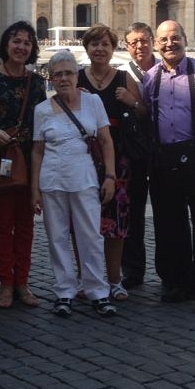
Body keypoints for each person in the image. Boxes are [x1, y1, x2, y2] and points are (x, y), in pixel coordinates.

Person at [143, 20, 195, 315]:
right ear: (156, 44)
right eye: (164, 39)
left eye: (175, 37)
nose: (170, 44)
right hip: (164, 162)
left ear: (184, 39)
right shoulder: (151, 77)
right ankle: (178, 283)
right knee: (170, 227)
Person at [32, 51, 117, 317]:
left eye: (68, 73)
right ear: (51, 78)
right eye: (58, 74)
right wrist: (33, 189)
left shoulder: (93, 102)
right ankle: (64, 291)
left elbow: (105, 141)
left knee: (90, 236)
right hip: (52, 179)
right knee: (57, 238)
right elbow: (37, 151)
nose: (64, 78)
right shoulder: (42, 110)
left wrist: (110, 176)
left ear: (77, 74)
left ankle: (97, 290)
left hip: (84, 178)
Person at [0, 21, 46, 308]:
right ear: (6, 44)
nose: (21, 47)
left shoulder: (37, 82)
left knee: (26, 226)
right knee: (2, 225)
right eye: (17, 41)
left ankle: (23, 282)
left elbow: (43, 123)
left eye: (27, 43)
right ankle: (5, 282)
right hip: (2, 160)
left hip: (31, 160)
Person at [77, 24, 146, 302]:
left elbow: (144, 114)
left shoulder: (123, 78)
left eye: (105, 44)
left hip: (118, 159)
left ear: (112, 48)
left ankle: (115, 280)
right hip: (83, 157)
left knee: (116, 222)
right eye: (94, 44)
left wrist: (131, 101)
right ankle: (88, 279)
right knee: (82, 222)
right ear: (87, 49)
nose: (100, 49)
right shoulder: (78, 78)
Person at [118, 22, 158, 288]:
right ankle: (133, 269)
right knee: (132, 213)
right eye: (133, 43)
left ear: (152, 40)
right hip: (134, 152)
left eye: (143, 41)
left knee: (168, 213)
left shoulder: (165, 68)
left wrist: (133, 102)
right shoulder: (122, 74)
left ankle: (172, 273)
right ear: (126, 46)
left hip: (165, 150)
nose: (139, 47)